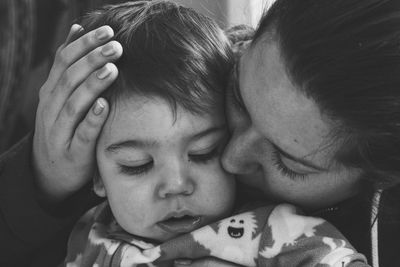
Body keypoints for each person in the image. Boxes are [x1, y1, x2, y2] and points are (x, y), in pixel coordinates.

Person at [0, 0, 400, 266]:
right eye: (239, 99)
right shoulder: (168, 85)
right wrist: (42, 180)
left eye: (287, 161)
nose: (230, 157)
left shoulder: (303, 240)